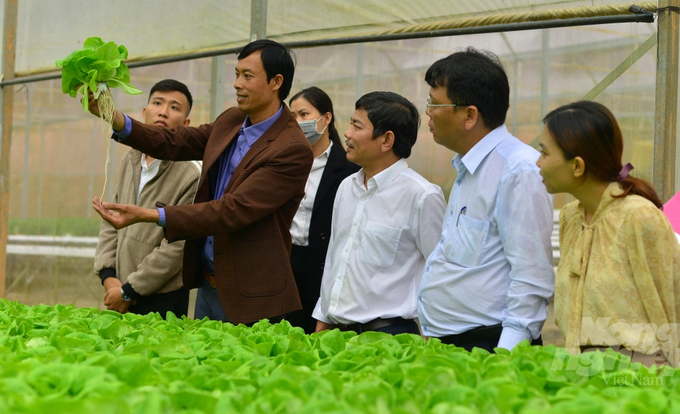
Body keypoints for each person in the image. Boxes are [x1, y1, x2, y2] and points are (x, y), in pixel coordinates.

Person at [89, 39, 314, 325]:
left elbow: (232, 210)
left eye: (247, 76)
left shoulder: (291, 148)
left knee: (242, 368)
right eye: (236, 74)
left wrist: (150, 215)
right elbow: (175, 141)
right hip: (210, 283)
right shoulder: (233, 119)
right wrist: (114, 116)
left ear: (276, 82)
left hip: (251, 295)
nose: (236, 84)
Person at [417, 47, 554, 352]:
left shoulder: (518, 169)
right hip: (454, 344)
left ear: (469, 115)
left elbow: (531, 277)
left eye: (434, 103)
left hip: (490, 348)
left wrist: (504, 358)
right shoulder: (468, 166)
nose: (427, 112)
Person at [537, 101, 680, 367]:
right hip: (580, 371)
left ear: (577, 166)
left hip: (639, 377)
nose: (538, 162)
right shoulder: (571, 217)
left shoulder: (639, 217)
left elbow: (674, 302)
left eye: (544, 153)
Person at [312, 91, 447, 336]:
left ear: (386, 140)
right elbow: (335, 256)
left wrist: (434, 338)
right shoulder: (346, 187)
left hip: (390, 337)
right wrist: (323, 316)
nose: (347, 134)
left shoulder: (421, 195)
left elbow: (440, 273)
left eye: (357, 126)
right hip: (338, 335)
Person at [94, 79, 200, 318]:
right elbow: (112, 219)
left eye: (174, 107)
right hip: (118, 288)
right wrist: (108, 276)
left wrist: (130, 290)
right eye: (157, 103)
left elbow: (177, 247)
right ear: (144, 112)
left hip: (162, 298)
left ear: (186, 123)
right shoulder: (130, 160)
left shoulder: (190, 174)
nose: (163, 111)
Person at [285, 87, 360, 334]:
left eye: (304, 114)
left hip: (323, 265)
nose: (298, 122)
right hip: (287, 262)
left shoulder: (348, 168)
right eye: (292, 116)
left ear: (326, 118)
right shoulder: (284, 161)